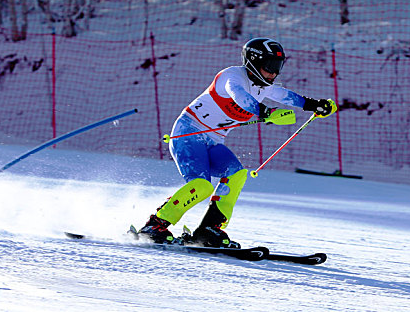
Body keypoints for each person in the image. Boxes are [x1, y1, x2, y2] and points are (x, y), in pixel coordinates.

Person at [138, 37, 337, 248]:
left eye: (277, 67)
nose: (274, 73)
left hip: (213, 141)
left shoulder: (265, 85)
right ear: (252, 61)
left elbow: (287, 96)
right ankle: (155, 225)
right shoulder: (231, 76)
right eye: (269, 66)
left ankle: (209, 229)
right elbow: (241, 97)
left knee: (236, 174)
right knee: (202, 187)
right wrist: (266, 113)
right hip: (188, 133)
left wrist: (315, 105)